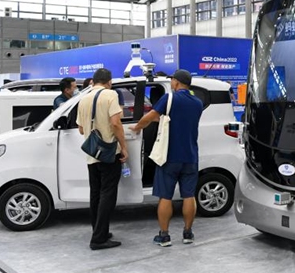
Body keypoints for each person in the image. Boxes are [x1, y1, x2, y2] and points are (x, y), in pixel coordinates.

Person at [130, 69, 203, 247]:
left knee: (165, 196)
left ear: (176, 82)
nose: (171, 83)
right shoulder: (198, 103)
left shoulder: (169, 98)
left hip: (169, 156)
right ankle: (188, 233)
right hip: (191, 156)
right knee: (189, 196)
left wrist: (137, 127)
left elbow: (150, 117)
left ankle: (164, 236)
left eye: (172, 80)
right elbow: (179, 119)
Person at [76, 68, 128, 250]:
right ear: (109, 81)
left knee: (96, 194)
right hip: (109, 153)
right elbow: (116, 123)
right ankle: (99, 239)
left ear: (93, 81)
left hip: (92, 155)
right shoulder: (110, 95)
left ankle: (99, 231)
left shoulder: (83, 98)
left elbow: (81, 129)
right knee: (108, 194)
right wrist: (124, 147)